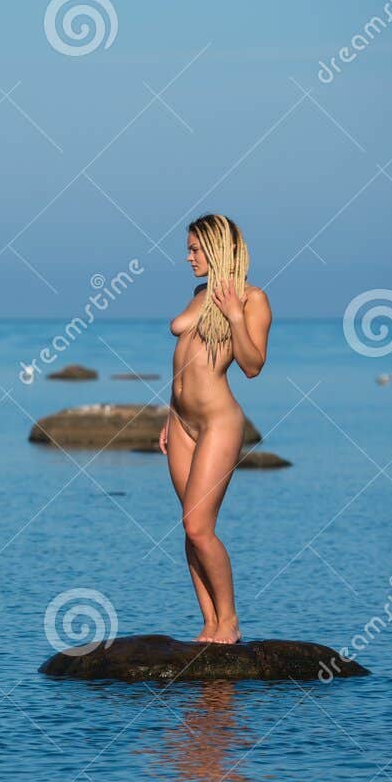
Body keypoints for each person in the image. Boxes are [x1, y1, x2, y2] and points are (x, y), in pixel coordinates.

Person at [159, 214, 271, 644]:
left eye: (194, 249)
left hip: (217, 423)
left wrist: (235, 316)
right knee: (189, 527)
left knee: (198, 527)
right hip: (181, 423)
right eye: (188, 249)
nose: (188, 257)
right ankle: (209, 623)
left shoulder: (252, 298)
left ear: (218, 248)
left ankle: (231, 622)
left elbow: (253, 365)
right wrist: (170, 416)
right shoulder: (198, 292)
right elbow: (183, 364)